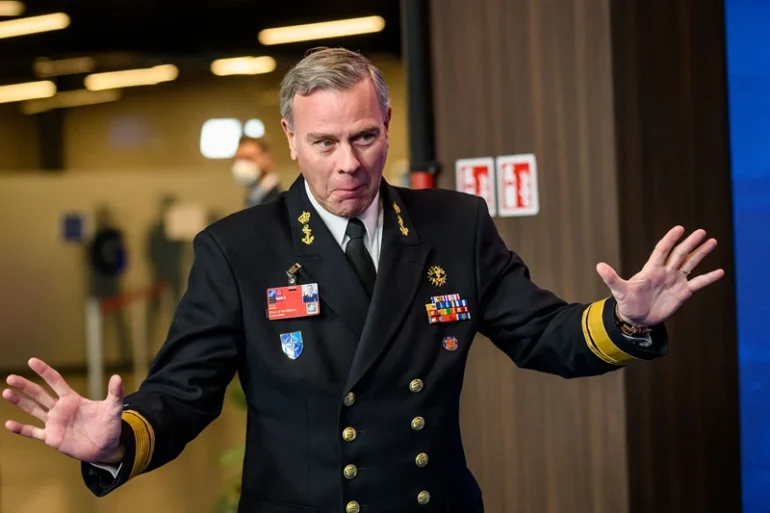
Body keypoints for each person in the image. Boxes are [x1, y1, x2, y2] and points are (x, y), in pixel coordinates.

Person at [2, 47, 724, 513]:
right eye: (323, 142)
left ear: (386, 120)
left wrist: (627, 319)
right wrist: (117, 440)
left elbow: (541, 333)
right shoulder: (239, 249)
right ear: (290, 138)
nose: (348, 162)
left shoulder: (454, 224)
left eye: (364, 136)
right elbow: (185, 392)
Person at [230, 135, 281, 208]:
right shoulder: (253, 198)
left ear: (267, 160)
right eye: (238, 159)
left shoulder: (277, 203)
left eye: (248, 158)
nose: (242, 165)